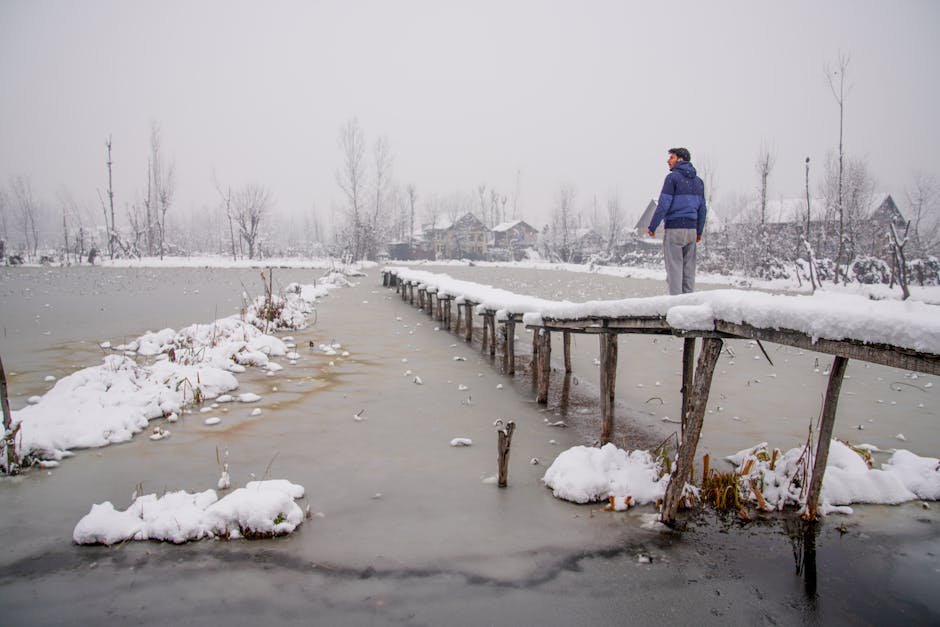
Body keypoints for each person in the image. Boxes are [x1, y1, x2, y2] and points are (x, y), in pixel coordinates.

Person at [647, 147, 707, 295]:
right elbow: (702, 209)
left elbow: (664, 203)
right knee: (689, 270)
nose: (668, 161)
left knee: (674, 269)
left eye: (671, 157)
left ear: (680, 159)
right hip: (692, 230)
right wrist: (699, 231)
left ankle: (676, 306)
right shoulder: (698, 182)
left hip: (675, 228)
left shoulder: (672, 178)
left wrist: (653, 226)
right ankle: (689, 303)